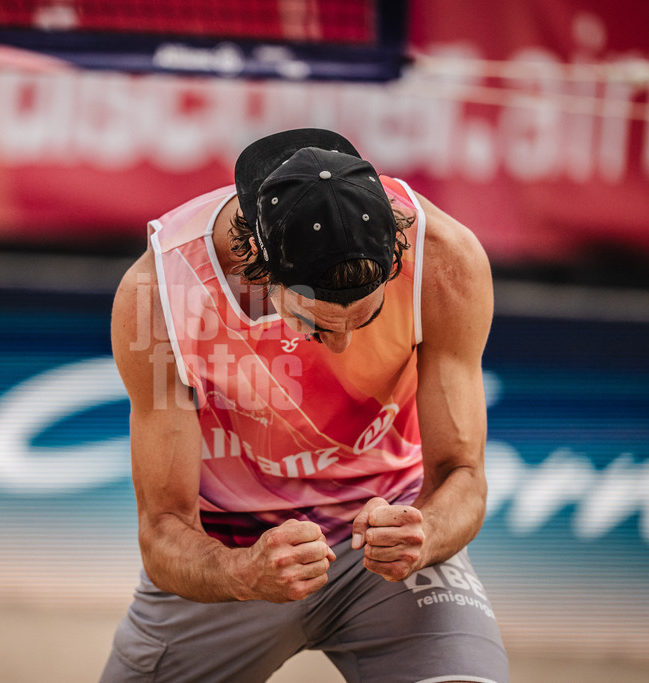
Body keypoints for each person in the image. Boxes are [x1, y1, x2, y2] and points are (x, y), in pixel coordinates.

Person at [101, 128, 508, 682]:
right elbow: (162, 529)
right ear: (256, 264)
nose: (340, 345)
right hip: (234, 554)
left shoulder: (442, 259)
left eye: (364, 317)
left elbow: (463, 476)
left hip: (386, 538)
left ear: (397, 249)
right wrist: (244, 572)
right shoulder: (157, 296)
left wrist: (425, 533)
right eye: (313, 323)